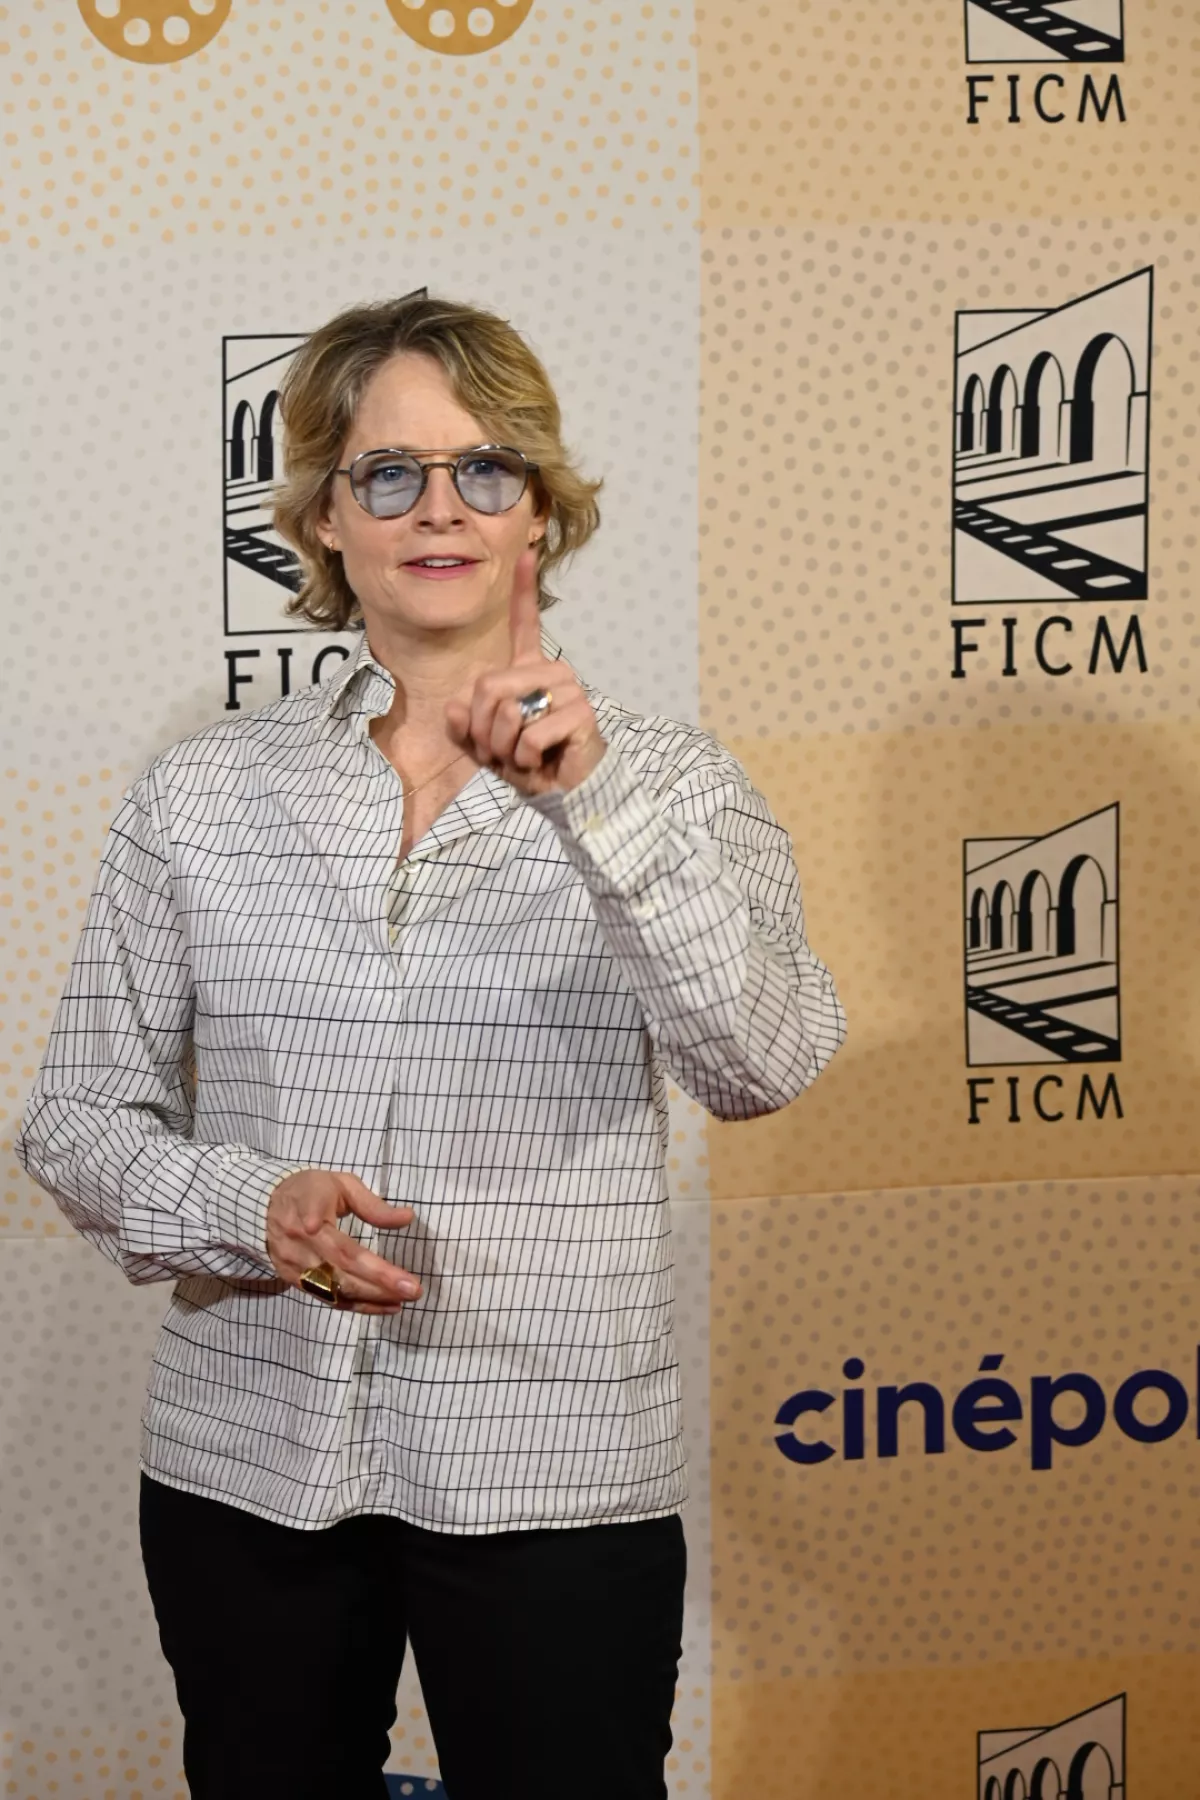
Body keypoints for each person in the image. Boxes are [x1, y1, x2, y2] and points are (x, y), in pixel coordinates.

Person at [16, 291, 845, 1800]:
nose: (439, 509)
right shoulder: (202, 796)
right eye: (388, 472)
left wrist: (590, 801)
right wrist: (247, 1209)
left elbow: (763, 1062)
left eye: (485, 469)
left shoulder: (668, 782)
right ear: (327, 518)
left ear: (542, 511)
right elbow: (76, 1120)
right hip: (247, 1460)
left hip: (554, 1471)